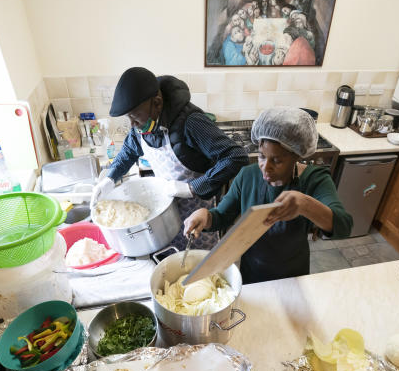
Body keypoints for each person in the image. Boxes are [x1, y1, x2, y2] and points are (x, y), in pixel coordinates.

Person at [183, 107, 353, 284]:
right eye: (262, 156)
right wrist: (205, 215)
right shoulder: (247, 176)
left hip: (293, 275)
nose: (266, 166)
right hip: (251, 271)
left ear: (296, 156)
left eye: (277, 160)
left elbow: (344, 226)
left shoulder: (314, 180)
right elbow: (222, 216)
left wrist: (304, 204)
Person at [92, 67, 248, 249]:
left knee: (196, 263)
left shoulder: (191, 123)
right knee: (170, 257)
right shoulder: (142, 127)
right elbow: (128, 153)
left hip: (196, 211)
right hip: (164, 210)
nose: (132, 124)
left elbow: (236, 157)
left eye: (135, 117)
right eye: (129, 118)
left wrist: (191, 187)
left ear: (157, 103)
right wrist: (110, 179)